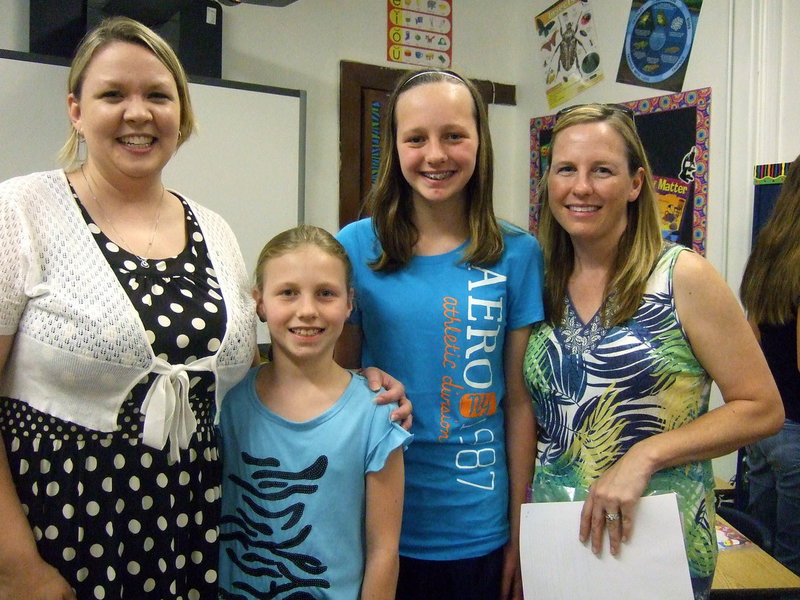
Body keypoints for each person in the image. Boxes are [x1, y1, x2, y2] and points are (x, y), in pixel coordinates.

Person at [0, 17, 409, 600]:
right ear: (75, 110)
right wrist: (15, 564)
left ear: (182, 113)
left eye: (158, 96)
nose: (138, 113)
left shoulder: (212, 231)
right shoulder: (20, 211)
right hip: (59, 533)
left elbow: (261, 372)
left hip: (189, 535)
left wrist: (357, 382)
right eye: (113, 94)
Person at [523, 102, 784, 599]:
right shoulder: (539, 280)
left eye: (603, 170)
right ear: (549, 182)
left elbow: (762, 408)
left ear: (636, 183)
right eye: (566, 170)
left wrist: (645, 454)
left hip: (659, 545)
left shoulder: (681, 276)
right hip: (559, 539)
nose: (582, 187)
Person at [336, 68, 544, 600]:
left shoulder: (518, 254)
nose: (436, 154)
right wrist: (362, 378)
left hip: (479, 524)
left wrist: (522, 533)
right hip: (380, 519)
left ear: (480, 142)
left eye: (454, 135)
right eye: (416, 138)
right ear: (395, 148)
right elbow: (331, 385)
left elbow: (519, 404)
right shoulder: (355, 247)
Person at [217, 225, 412, 599]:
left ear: (349, 302)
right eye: (288, 293)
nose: (307, 311)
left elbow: (384, 552)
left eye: (325, 294)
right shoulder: (227, 404)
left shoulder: (376, 415)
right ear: (259, 302)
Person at [740, 153, 800, 575]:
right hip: (797, 431)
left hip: (765, 429)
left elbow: (752, 341)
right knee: (791, 566)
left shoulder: (769, 247)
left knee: (758, 562)